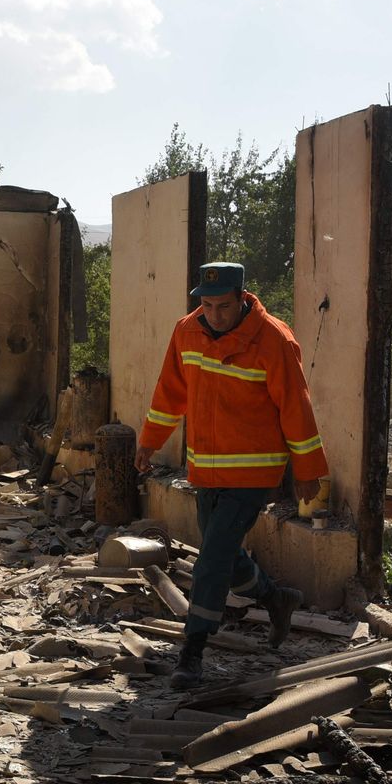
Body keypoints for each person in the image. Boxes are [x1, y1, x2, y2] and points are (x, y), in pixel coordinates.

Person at [134, 262, 328, 688]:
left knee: (212, 558)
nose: (215, 315)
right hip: (205, 468)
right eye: (206, 305)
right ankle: (277, 598)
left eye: (223, 306)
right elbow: (170, 391)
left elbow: (296, 408)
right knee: (223, 555)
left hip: (255, 471)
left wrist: (309, 471)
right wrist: (149, 440)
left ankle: (193, 651)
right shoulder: (187, 331)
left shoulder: (273, 340)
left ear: (243, 298)